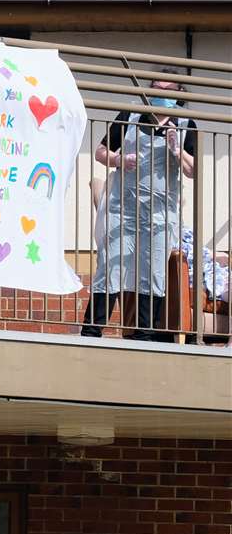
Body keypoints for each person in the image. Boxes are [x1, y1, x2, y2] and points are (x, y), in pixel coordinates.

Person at [82, 72, 198, 341]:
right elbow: (101, 153)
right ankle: (92, 329)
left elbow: (193, 172)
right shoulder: (130, 116)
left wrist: (177, 149)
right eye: (157, 87)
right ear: (149, 90)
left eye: (170, 90)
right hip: (122, 208)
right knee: (110, 266)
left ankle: (144, 332)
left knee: (153, 268)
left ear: (179, 94)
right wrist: (119, 160)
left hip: (159, 212)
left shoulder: (185, 124)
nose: (162, 94)